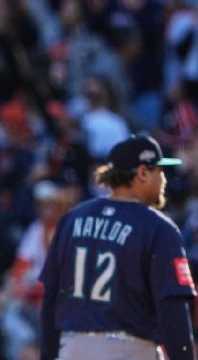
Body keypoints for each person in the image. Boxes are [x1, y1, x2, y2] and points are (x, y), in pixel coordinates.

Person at [39, 135, 196, 360]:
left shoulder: (71, 220)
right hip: (128, 349)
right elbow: (172, 309)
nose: (163, 179)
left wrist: (48, 355)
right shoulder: (158, 227)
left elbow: (50, 299)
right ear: (142, 173)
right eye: (159, 171)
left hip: (71, 348)